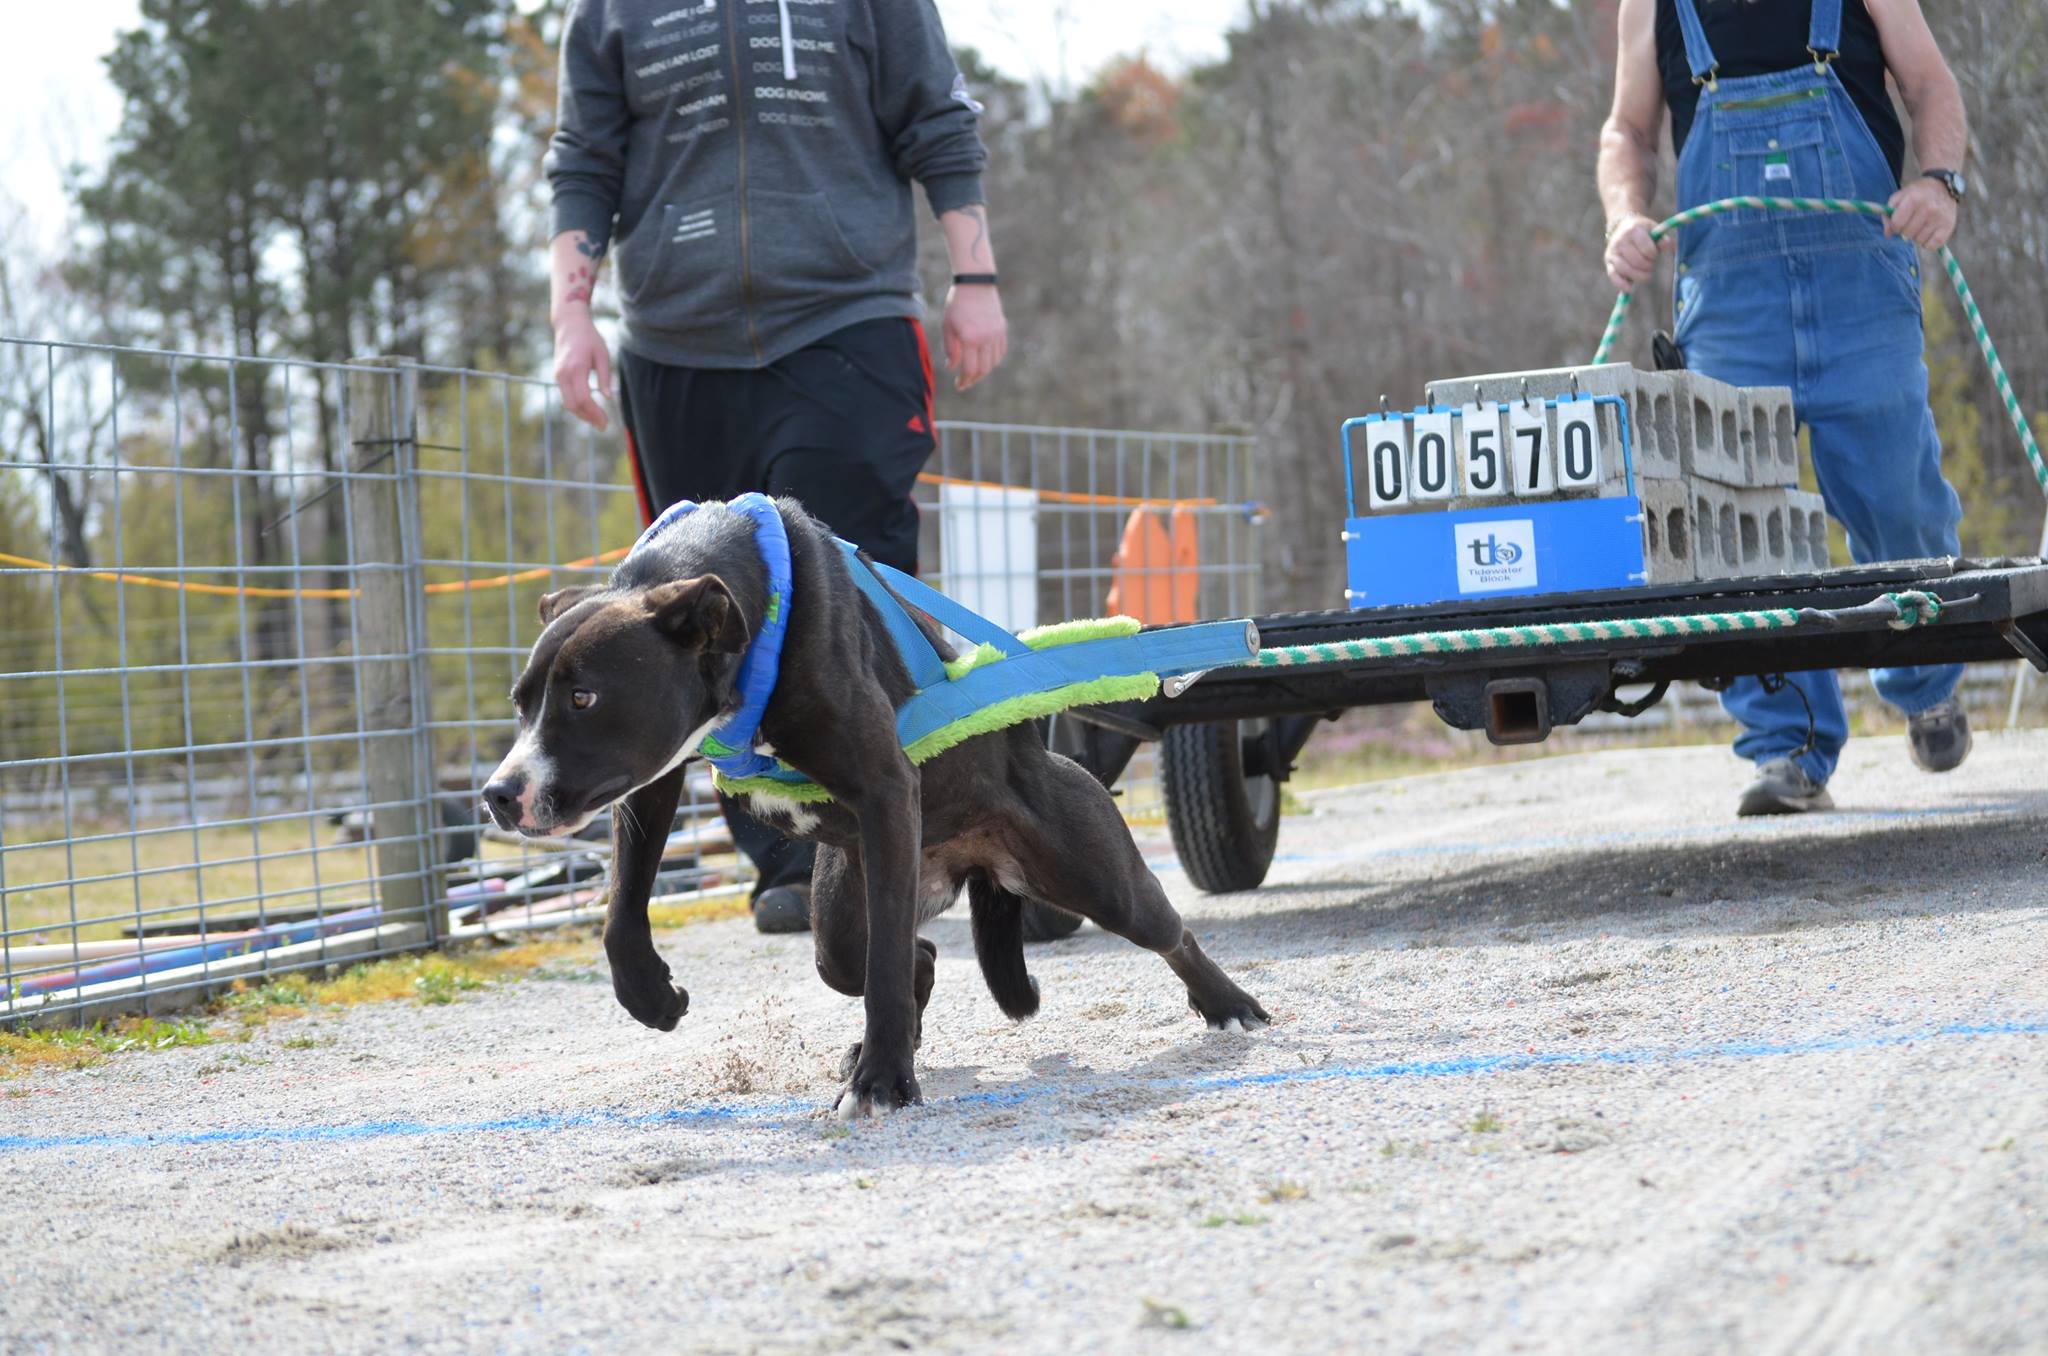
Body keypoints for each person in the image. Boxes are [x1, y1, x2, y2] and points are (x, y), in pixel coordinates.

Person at [544, 0, 1009, 930]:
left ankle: (904, 824)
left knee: (852, 580)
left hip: (847, 319)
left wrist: (976, 279)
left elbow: (937, 118)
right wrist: (571, 318)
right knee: (698, 614)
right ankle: (788, 861)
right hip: (677, 344)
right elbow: (585, 158)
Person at [1598, 0, 1973, 817]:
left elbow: (1931, 85)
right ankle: (1790, 750)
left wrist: (1939, 183)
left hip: (1861, 286)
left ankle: (1926, 683)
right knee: (1739, 531)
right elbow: (1626, 130)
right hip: (1730, 303)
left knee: (1897, 500)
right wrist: (1625, 215)